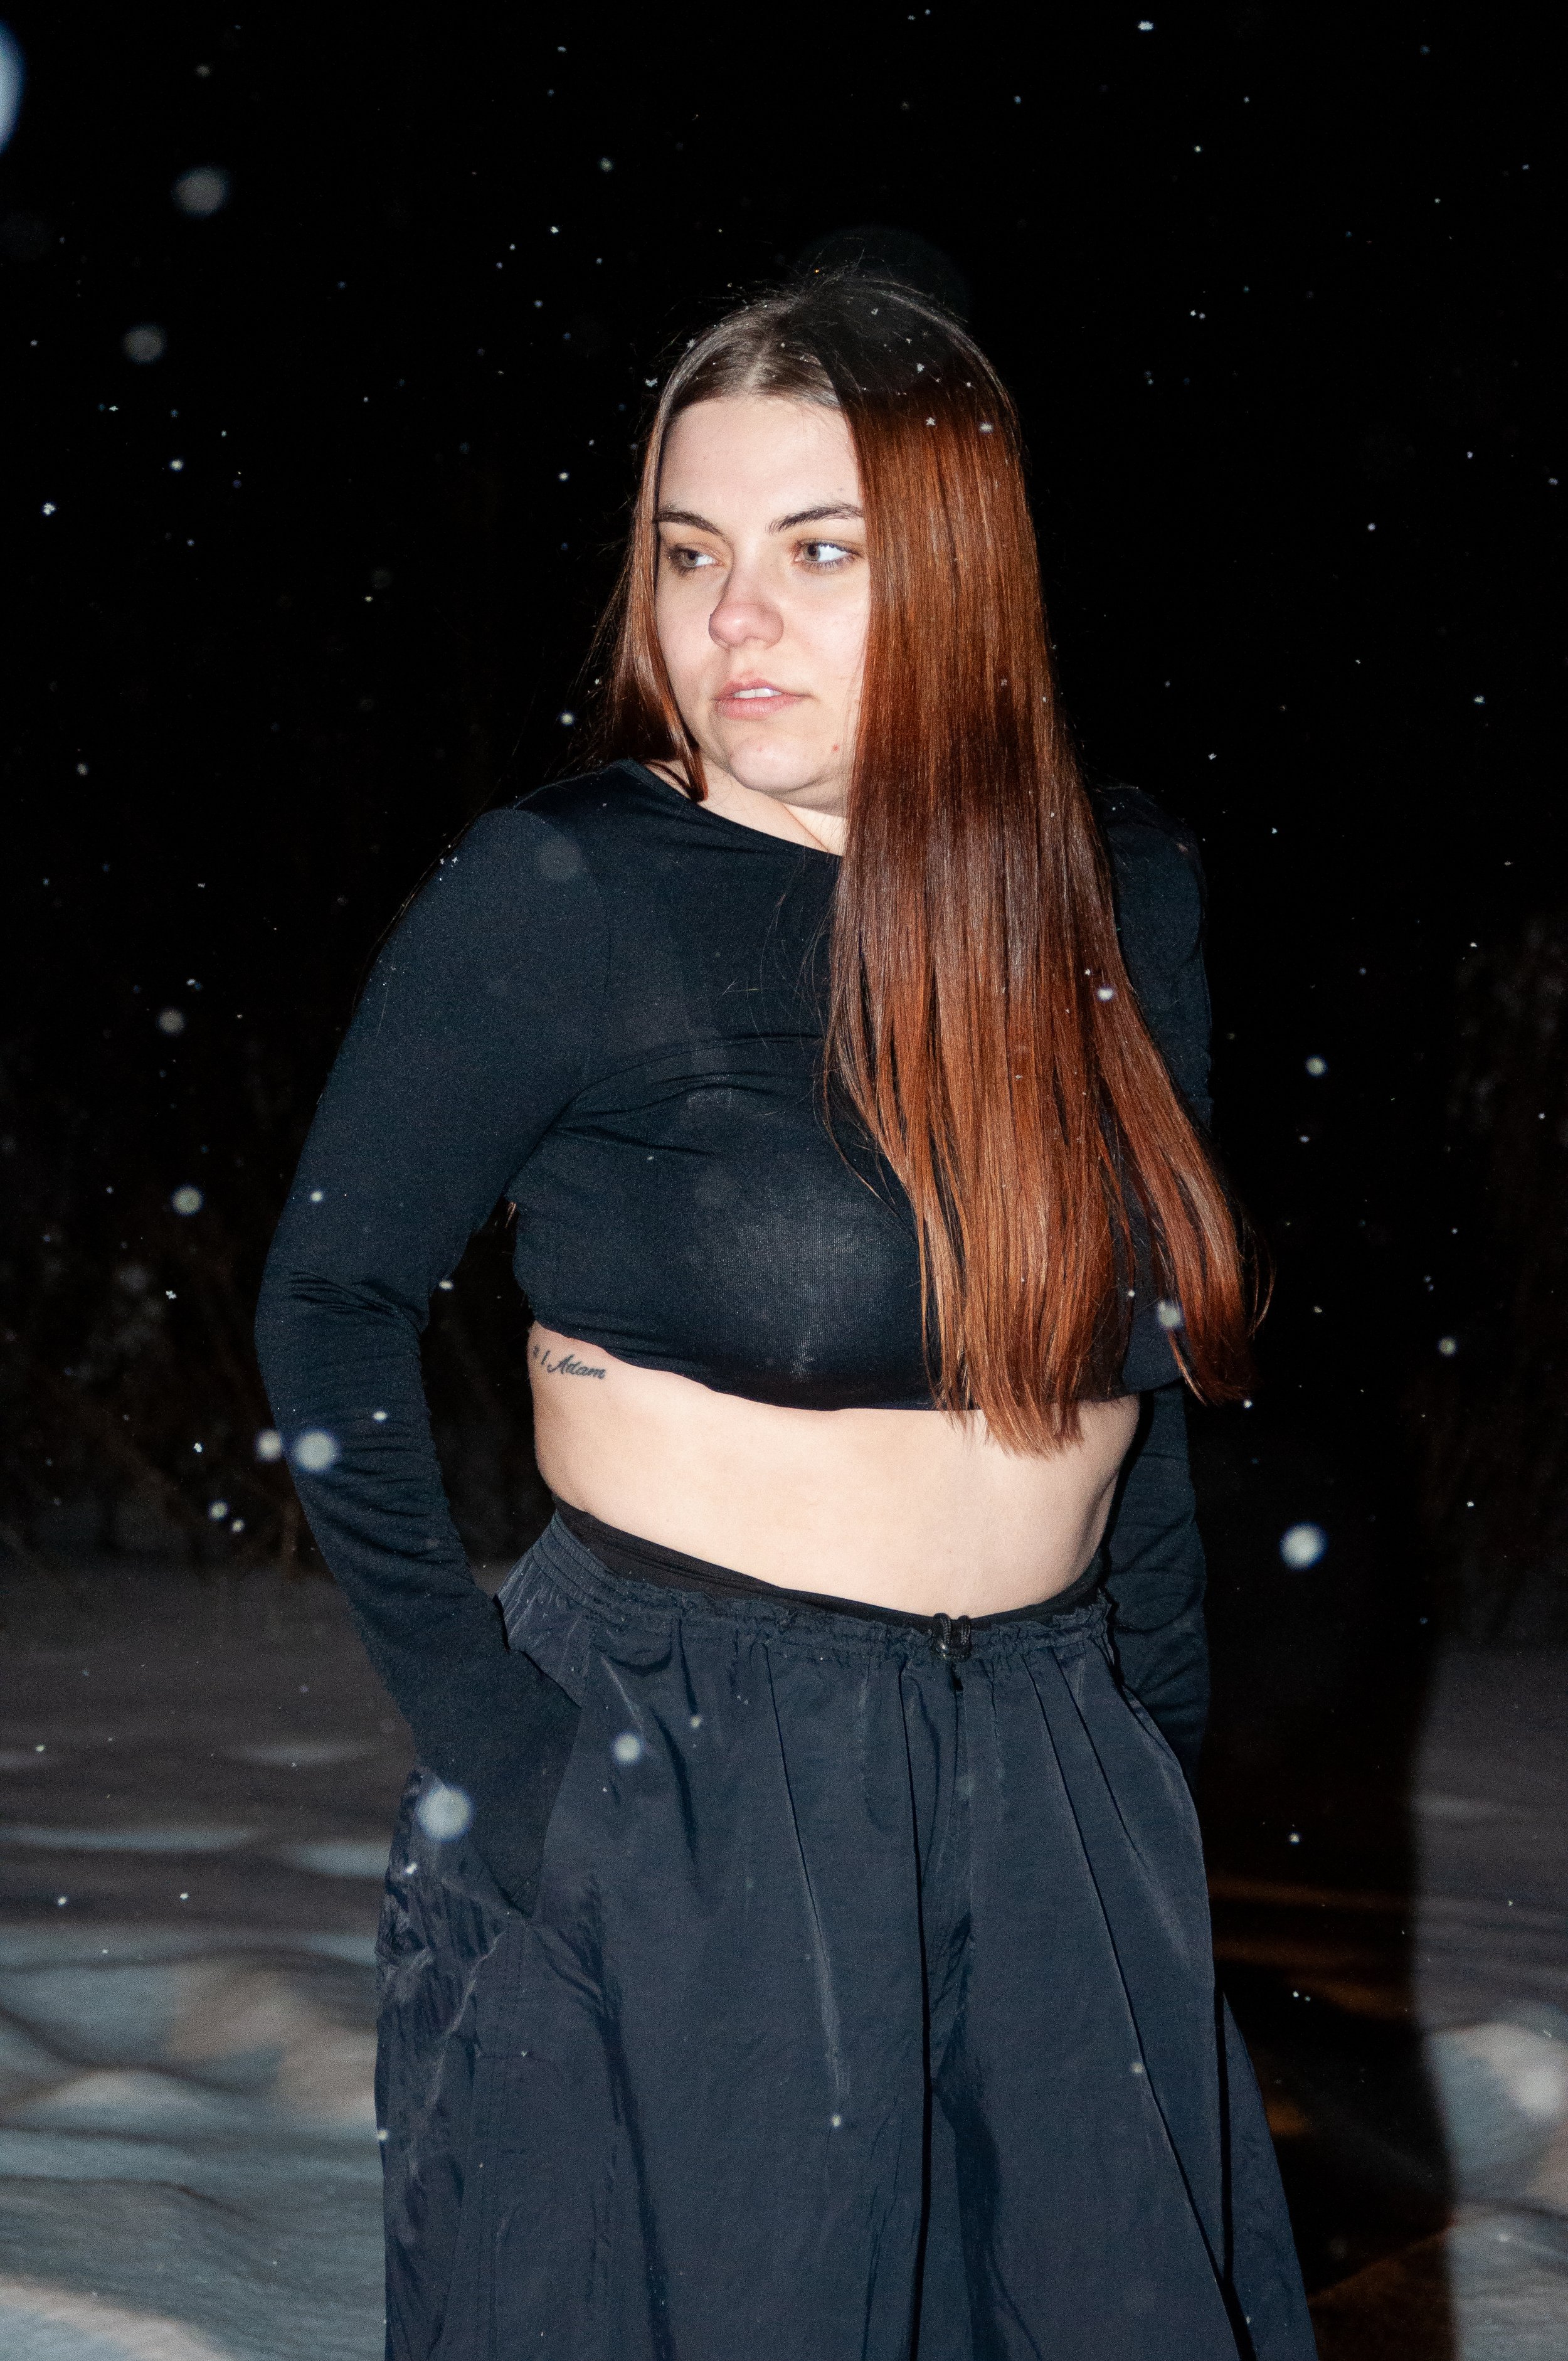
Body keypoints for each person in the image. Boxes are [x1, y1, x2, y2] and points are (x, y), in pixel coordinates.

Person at [257, 273, 1313, 2360]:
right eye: (688, 553)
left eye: (816, 553)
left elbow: (1137, 1382)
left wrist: (1150, 1760)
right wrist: (504, 1753)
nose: (731, 623)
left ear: (957, 569)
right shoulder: (565, 896)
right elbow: (326, 1303)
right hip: (685, 1764)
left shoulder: (1121, 889)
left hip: (1050, 1764)